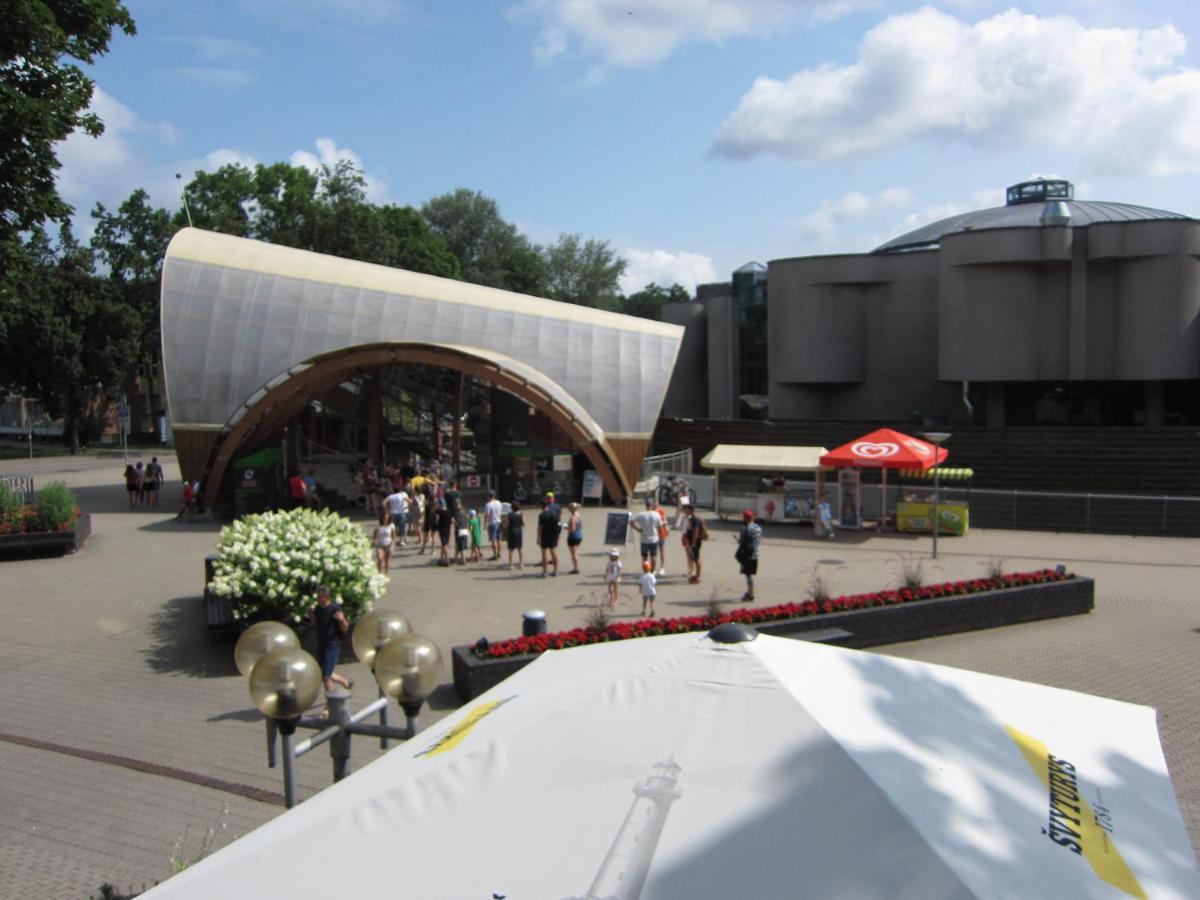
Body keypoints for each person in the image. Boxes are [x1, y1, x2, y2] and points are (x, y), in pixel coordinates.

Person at [309, 584, 353, 694]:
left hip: (332, 645)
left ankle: (330, 704)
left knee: (326, 677)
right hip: (321, 643)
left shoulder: (334, 609)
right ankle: (345, 682)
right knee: (322, 672)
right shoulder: (318, 609)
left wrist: (341, 620)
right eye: (317, 596)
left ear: (326, 597)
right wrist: (311, 615)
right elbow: (316, 624)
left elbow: (345, 627)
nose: (318, 599)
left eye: (320, 596)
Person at [736, 509, 763, 602]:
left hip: (747, 554)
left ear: (746, 518)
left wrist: (737, 539)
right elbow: (759, 540)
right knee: (750, 574)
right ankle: (749, 592)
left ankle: (750, 594)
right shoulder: (758, 528)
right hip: (755, 554)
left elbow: (742, 542)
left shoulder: (745, 528)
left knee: (748, 575)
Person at [628, 498, 661, 572]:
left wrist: (638, 529)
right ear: (652, 505)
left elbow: (630, 521)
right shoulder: (656, 515)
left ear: (645, 505)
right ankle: (652, 571)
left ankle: (645, 571)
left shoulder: (641, 514)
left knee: (644, 558)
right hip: (654, 538)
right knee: (653, 557)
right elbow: (660, 526)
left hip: (644, 539)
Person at [682, 504, 708, 584]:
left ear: (690, 510)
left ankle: (698, 575)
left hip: (695, 542)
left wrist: (693, 543)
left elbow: (696, 531)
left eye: (686, 509)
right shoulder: (692, 518)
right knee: (694, 557)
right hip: (693, 541)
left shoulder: (694, 519)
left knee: (696, 558)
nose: (685, 511)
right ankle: (696, 574)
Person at [537, 497, 561, 578]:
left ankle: (545, 572)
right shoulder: (554, 514)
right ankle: (555, 571)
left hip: (545, 535)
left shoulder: (542, 515)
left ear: (541, 506)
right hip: (554, 535)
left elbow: (540, 527)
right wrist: (558, 535)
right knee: (553, 552)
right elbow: (558, 525)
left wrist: (538, 537)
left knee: (544, 553)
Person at [484, 490, 504, 561]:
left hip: (492, 523)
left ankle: (495, 555)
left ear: (489, 496)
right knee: (499, 539)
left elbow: (486, 515)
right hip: (499, 521)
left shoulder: (488, 504)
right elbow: (501, 512)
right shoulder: (499, 502)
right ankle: (498, 553)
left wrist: (485, 524)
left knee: (493, 540)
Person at [506, 500, 525, 569]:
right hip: (519, 532)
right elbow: (523, 523)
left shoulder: (509, 515)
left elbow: (507, 525)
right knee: (520, 549)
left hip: (511, 532)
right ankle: (521, 563)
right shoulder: (521, 514)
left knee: (511, 550)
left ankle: (511, 565)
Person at [565, 502, 583, 574]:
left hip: (573, 537)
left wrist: (565, 527)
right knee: (576, 552)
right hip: (579, 535)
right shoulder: (578, 515)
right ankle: (576, 567)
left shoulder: (572, 518)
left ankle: (576, 568)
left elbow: (572, 529)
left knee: (573, 554)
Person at [653, 499, 670, 576]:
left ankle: (662, 568)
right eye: (654, 502)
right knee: (653, 552)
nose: (656, 503)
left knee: (661, 551)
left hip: (661, 533)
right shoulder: (650, 511)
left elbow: (665, 521)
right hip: (653, 534)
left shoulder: (661, 511)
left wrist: (665, 526)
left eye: (657, 502)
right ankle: (653, 568)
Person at [434, 499, 453, 565]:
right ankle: (441, 558)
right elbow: (451, 521)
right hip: (448, 529)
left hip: (442, 529)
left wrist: (436, 505)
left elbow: (435, 510)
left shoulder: (439, 511)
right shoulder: (449, 511)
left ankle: (447, 558)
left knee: (444, 544)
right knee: (445, 544)